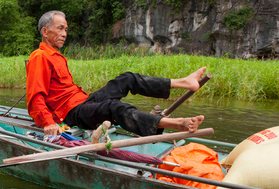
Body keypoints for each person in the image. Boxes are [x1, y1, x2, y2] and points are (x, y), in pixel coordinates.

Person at [27, 10, 205, 137]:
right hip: (70, 113)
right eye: (60, 28)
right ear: (45, 31)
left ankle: (184, 82)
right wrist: (48, 123)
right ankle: (177, 123)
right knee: (112, 107)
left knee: (127, 78)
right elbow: (35, 97)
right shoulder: (39, 57)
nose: (64, 34)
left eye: (65, 29)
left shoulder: (56, 56)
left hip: (83, 101)